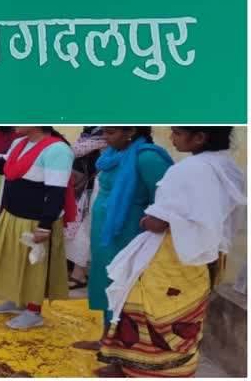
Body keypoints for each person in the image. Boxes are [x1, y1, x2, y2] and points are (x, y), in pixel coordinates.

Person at [97, 127, 245, 377]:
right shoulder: (230, 168)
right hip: (204, 258)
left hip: (170, 255)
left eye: (177, 133)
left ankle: (140, 369)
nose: (172, 138)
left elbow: (159, 222)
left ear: (199, 138)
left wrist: (145, 221)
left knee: (145, 308)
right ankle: (179, 368)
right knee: (185, 316)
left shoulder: (185, 170)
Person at [0, 126, 76, 330]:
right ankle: (17, 300)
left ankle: (34, 312)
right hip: (13, 214)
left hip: (35, 220)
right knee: (13, 262)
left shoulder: (58, 150)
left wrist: (44, 227)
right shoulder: (19, 144)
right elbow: (5, 169)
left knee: (35, 268)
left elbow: (56, 193)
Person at [74, 127, 173, 351]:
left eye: (111, 133)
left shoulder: (148, 158)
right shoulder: (112, 155)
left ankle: (123, 349)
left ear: (131, 131)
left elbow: (166, 201)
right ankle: (106, 339)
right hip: (106, 234)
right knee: (105, 282)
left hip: (129, 234)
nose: (105, 138)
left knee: (124, 289)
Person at [65, 126, 107, 290]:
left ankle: (79, 273)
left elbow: (76, 150)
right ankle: (82, 271)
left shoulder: (104, 131)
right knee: (83, 228)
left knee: (85, 229)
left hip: (98, 187)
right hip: (90, 186)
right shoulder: (93, 132)